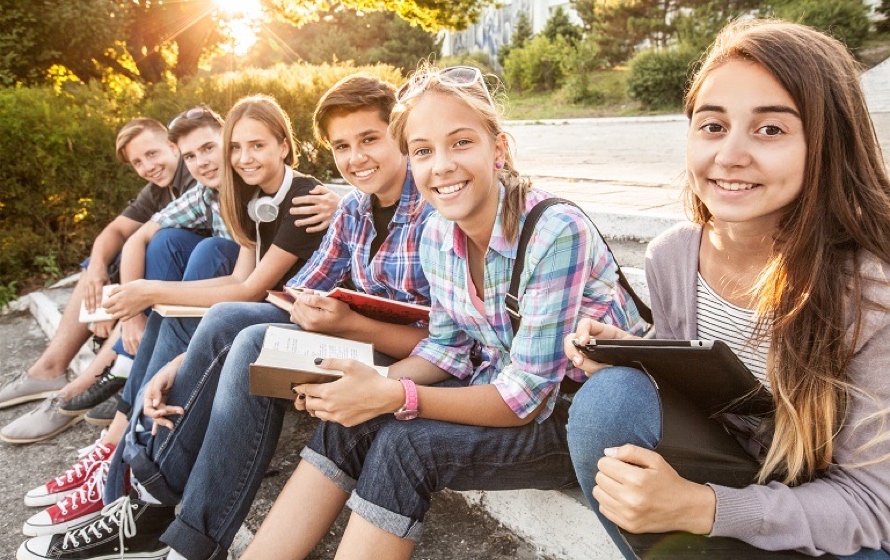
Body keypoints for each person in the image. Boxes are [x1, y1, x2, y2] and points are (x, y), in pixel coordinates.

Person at [233, 64, 647, 560]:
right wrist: (352, 390)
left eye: (461, 143)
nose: (442, 166)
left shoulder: (554, 230)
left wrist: (392, 393)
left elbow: (527, 399)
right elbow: (447, 351)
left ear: (500, 149)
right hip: (502, 387)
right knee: (352, 421)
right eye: (424, 151)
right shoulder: (437, 234)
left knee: (405, 446)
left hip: (577, 417)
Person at [16, 73, 436, 560]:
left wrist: (344, 322)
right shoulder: (351, 210)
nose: (355, 157)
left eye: (370, 139)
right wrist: (184, 363)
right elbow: (298, 291)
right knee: (225, 325)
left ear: (401, 135)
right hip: (347, 336)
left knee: (241, 331)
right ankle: (151, 506)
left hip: (406, 362)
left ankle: (154, 508)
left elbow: (448, 343)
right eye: (343, 145)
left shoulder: (424, 206)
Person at [563, 19, 890, 559]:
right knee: (609, 400)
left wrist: (704, 508)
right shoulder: (673, 257)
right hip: (738, 466)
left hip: (843, 521)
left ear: (829, 143)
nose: (730, 155)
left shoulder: (871, 290)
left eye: (771, 130)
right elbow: (697, 382)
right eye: (713, 126)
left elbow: (873, 507)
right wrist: (637, 351)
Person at [17, 99, 337, 539]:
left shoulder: (303, 196)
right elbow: (240, 277)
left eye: (257, 145)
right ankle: (120, 470)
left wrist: (151, 292)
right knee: (175, 296)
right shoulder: (249, 197)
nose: (243, 158)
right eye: (236, 148)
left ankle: (128, 482)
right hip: (264, 308)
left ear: (285, 145)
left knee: (209, 298)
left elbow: (245, 289)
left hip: (303, 322)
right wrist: (156, 301)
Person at [0, 118, 198, 444]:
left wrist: (128, 311)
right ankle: (49, 369)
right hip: (162, 282)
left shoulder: (196, 179)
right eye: (137, 162)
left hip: (192, 285)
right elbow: (117, 231)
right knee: (99, 261)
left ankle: (82, 387)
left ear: (172, 147)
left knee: (158, 250)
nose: (147, 166)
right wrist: (97, 272)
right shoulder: (159, 188)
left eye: (152, 154)